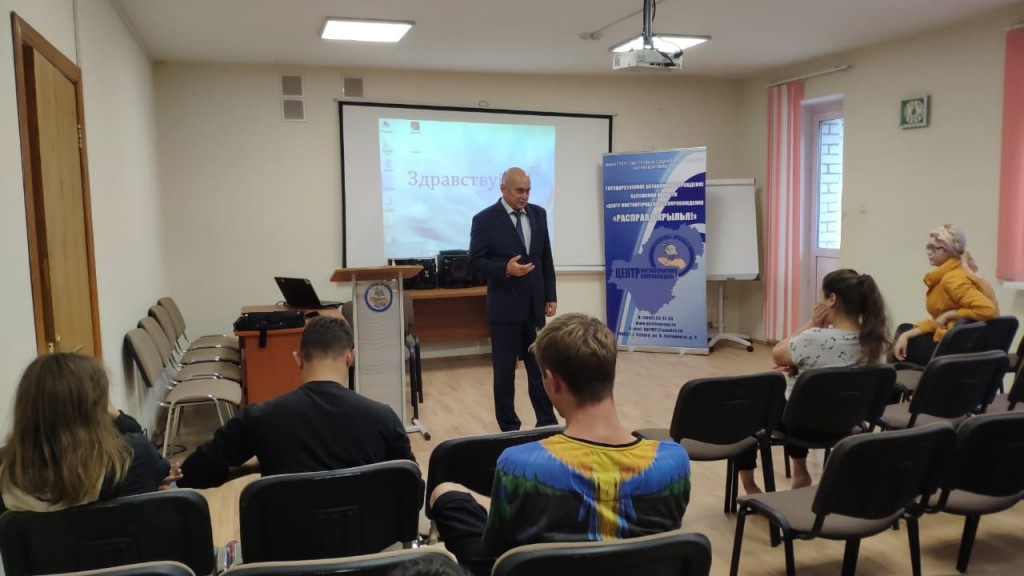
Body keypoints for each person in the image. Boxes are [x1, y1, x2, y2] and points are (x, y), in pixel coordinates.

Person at [429, 314, 691, 576]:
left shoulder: (519, 465)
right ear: (610, 372)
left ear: (552, 381)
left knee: (448, 494)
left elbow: (495, 548)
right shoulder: (674, 461)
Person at [178, 316, 414, 488]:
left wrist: (253, 466)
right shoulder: (383, 417)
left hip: (285, 542)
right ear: (350, 357)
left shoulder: (259, 418)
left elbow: (194, 473)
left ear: (298, 358)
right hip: (367, 542)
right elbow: (411, 487)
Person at [738, 268, 891, 494]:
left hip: (800, 427)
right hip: (849, 423)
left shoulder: (814, 338)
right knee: (802, 395)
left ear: (832, 299)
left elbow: (778, 353)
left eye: (821, 295)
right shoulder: (875, 342)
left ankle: (752, 486)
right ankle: (800, 472)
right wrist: (801, 368)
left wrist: (812, 323)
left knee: (749, 403)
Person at [0, 354, 173, 513]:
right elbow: (160, 467)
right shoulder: (133, 458)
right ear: (98, 409)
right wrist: (118, 417)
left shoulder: (6, 473)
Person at [469, 167, 558, 432]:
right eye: (519, 191)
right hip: (504, 310)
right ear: (503, 188)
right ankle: (509, 428)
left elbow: (545, 257)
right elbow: (475, 262)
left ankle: (547, 423)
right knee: (505, 374)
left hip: (534, 308)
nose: (524, 196)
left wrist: (550, 295)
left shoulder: (539, 214)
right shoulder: (485, 219)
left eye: (528, 191)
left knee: (539, 370)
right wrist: (504, 269)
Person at [893, 224, 998, 365]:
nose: (928, 252)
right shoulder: (959, 272)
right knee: (905, 330)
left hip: (951, 352)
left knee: (900, 340)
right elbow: (940, 321)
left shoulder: (952, 280)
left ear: (949, 250)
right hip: (960, 346)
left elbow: (988, 310)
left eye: (933, 248)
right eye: (928, 247)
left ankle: (894, 378)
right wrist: (907, 335)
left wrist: (950, 314)